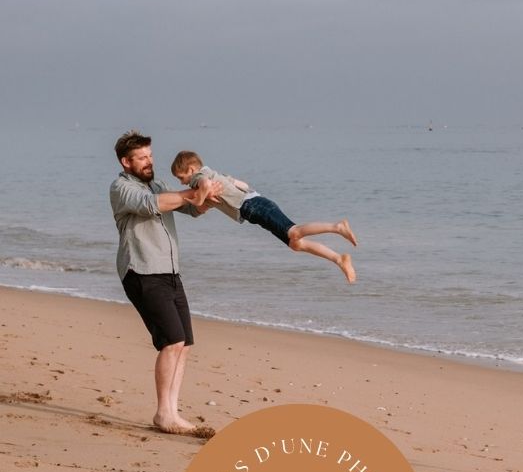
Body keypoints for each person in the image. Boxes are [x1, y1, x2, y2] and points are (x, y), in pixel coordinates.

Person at [109, 130, 221, 437]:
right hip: (142, 271)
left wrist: (210, 197)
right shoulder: (121, 187)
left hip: (170, 271)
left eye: (150, 155)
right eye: (142, 158)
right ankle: (163, 413)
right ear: (126, 161)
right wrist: (193, 193)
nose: (149, 162)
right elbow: (150, 204)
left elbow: (192, 209)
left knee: (183, 343)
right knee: (171, 341)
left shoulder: (158, 183)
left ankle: (171, 411)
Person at [170, 151, 357, 283]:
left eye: (181, 177)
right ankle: (339, 259)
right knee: (296, 244)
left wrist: (199, 199)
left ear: (192, 169)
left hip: (253, 206)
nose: (182, 181)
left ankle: (337, 227)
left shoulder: (200, 177)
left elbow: (204, 184)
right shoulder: (217, 173)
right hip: (257, 204)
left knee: (295, 233)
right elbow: (242, 184)